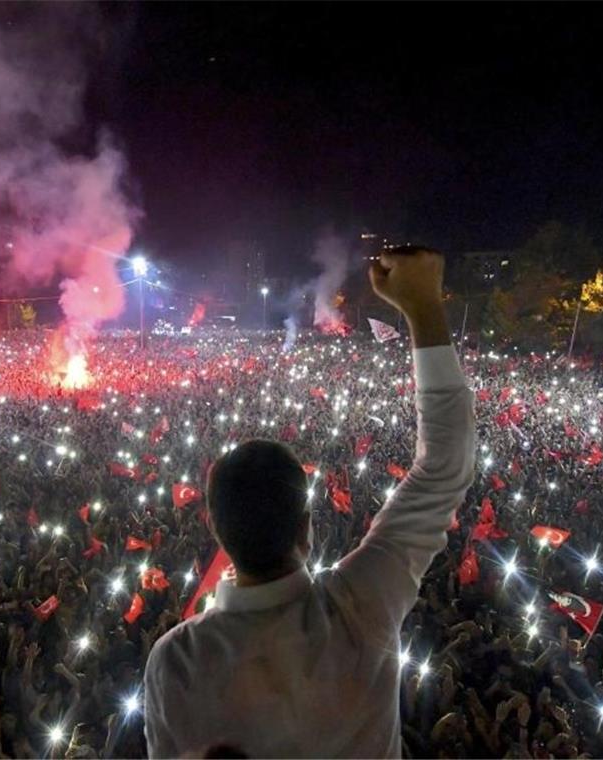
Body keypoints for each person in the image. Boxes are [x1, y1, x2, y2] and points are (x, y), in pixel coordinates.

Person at [142, 247, 476, 757]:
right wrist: (424, 307)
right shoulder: (360, 607)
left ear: (215, 529)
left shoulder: (176, 662)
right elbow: (445, 466)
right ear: (308, 525)